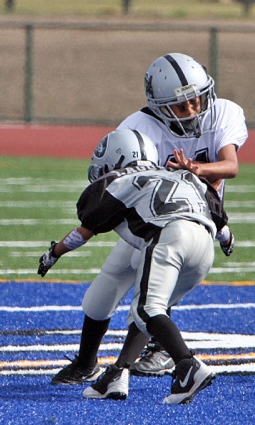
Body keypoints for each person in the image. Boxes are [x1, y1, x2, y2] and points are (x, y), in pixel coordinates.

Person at [48, 52, 247, 385]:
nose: (192, 111)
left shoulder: (224, 112)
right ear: (158, 106)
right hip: (154, 224)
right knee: (109, 285)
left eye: (196, 101)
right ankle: (88, 363)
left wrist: (196, 175)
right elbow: (128, 189)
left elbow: (231, 167)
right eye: (181, 106)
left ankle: (138, 363)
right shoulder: (139, 129)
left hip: (193, 224)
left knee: (151, 298)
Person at [38, 129, 227, 404]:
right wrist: (227, 240)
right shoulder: (182, 176)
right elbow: (221, 222)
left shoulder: (122, 179)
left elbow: (86, 229)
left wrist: (53, 253)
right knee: (151, 309)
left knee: (146, 309)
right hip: (204, 245)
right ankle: (117, 372)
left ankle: (188, 367)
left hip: (169, 236)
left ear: (116, 158)